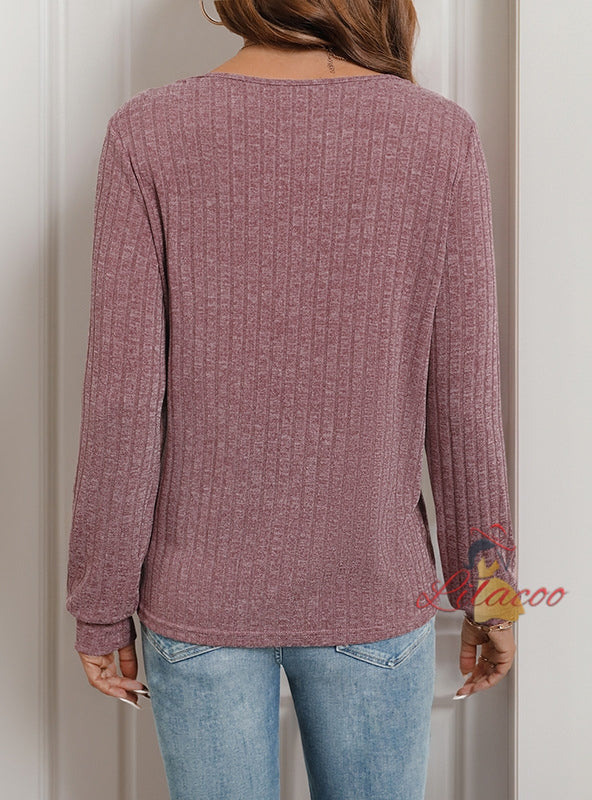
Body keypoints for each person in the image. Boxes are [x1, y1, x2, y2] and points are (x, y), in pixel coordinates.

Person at [65, 1, 519, 798]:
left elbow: (122, 405)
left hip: (197, 600)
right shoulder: (438, 136)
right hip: (373, 590)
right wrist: (492, 596)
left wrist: (101, 607)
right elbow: (464, 405)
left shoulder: (148, 132)